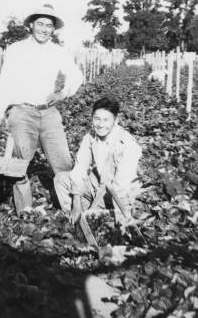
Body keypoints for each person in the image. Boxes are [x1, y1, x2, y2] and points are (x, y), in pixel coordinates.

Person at [0, 4, 83, 213]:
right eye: (40, 23)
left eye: (49, 25)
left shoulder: (58, 52)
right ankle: (26, 214)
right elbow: (4, 82)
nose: (44, 29)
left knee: (63, 161)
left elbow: (76, 75)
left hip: (49, 113)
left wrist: (63, 93)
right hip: (22, 112)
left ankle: (72, 211)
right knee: (20, 165)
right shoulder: (16, 50)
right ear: (31, 25)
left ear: (53, 29)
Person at [54, 96, 142, 230]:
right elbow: (80, 168)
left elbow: (121, 187)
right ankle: (75, 220)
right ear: (92, 118)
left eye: (106, 120)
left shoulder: (127, 145)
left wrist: (122, 217)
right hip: (99, 183)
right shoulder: (90, 138)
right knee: (61, 179)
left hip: (119, 193)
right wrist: (76, 203)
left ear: (116, 121)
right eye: (97, 119)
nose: (101, 124)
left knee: (99, 223)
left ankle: (91, 220)